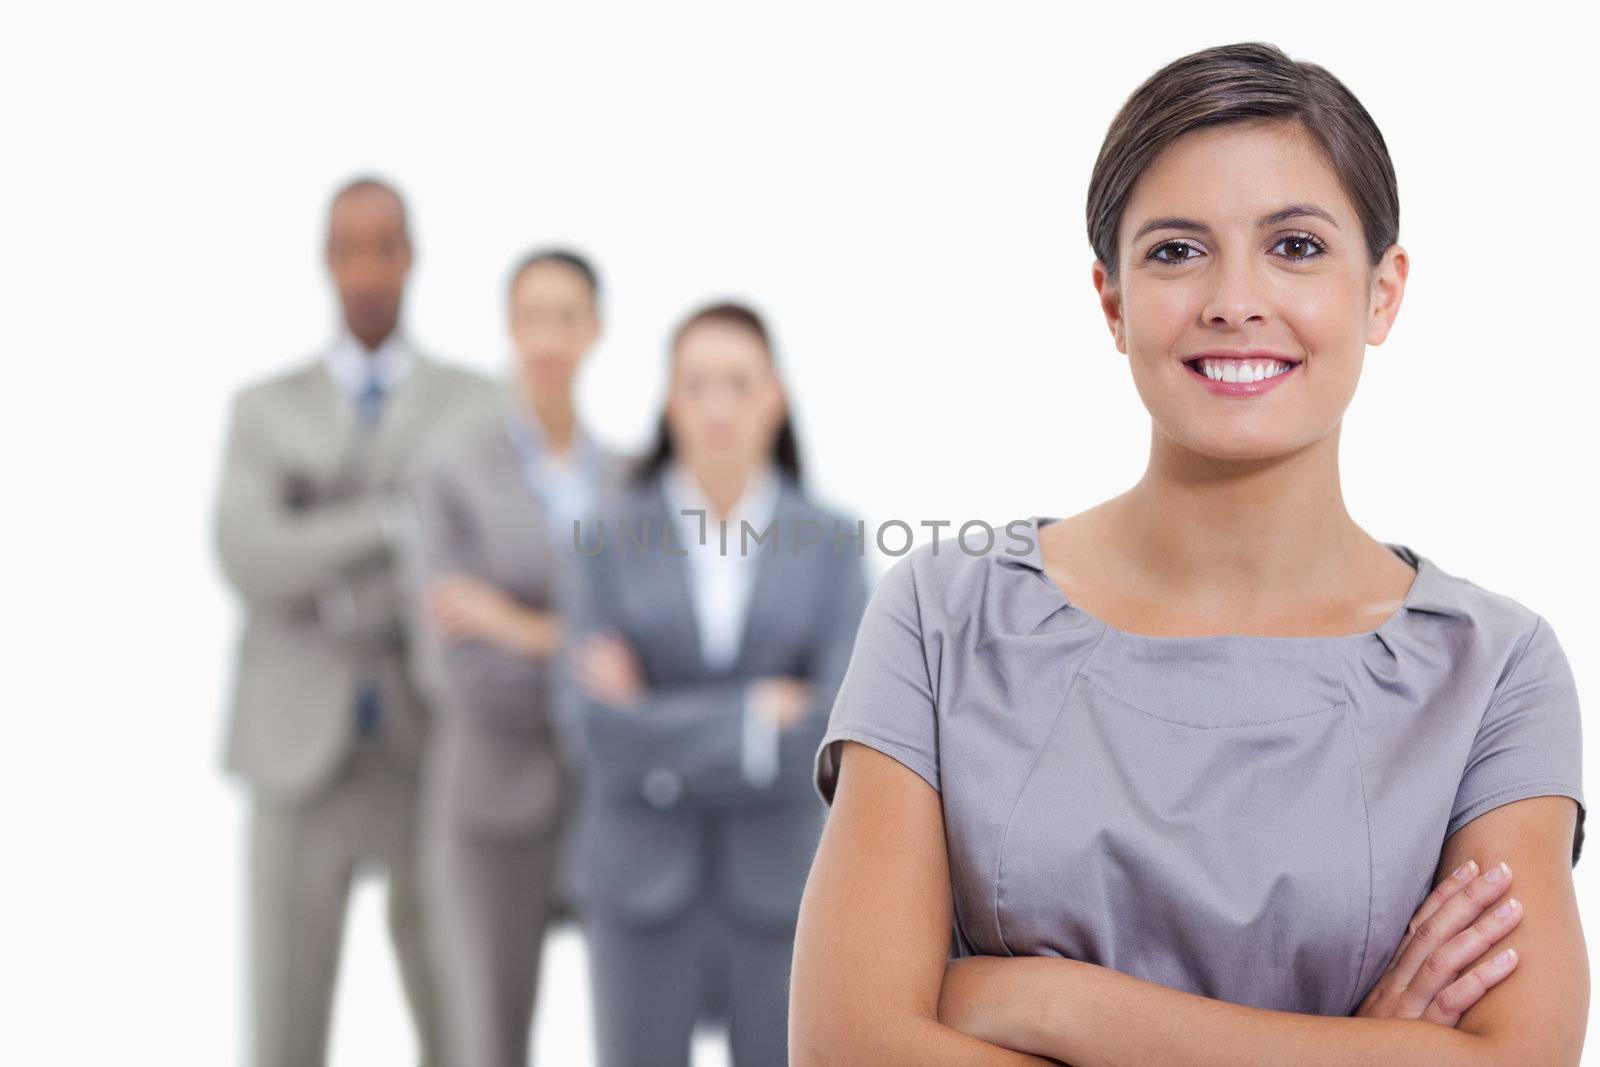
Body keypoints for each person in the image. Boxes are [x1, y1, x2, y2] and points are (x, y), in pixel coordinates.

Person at [791, 42, 1588, 1065]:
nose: (1233, 299)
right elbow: (848, 1047)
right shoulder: (943, 615)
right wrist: (1360, 1049)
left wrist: (1055, 1005)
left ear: (1382, 292)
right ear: (1111, 300)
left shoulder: (1494, 669)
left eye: (1294, 246)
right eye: (1175, 251)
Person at [213, 175, 499, 1067]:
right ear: (326, 260)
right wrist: (388, 523)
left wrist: (321, 559)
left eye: (386, 245)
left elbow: (476, 555)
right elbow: (249, 554)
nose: (368, 267)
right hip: (297, 755)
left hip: (428, 750)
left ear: (410, 256)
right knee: (283, 1029)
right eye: (349, 247)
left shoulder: (475, 404)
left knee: (461, 1024)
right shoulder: (264, 409)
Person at [558, 301, 869, 1066]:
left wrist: (656, 716)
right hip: (637, 883)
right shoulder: (604, 537)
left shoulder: (831, 543)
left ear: (776, 396)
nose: (718, 405)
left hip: (783, 886)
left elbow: (836, 724)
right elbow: (592, 728)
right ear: (670, 401)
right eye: (697, 383)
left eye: (739, 382)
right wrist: (758, 715)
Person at [403, 248, 630, 1067]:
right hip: (491, 801)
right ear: (509, 326)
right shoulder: (450, 473)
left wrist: (520, 625)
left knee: (637, 1033)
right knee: (486, 1042)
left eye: (566, 318)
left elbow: (656, 655)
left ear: (595, 330)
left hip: (616, 802)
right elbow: (452, 667)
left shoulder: (635, 480)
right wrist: (587, 655)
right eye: (532, 317)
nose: (548, 338)